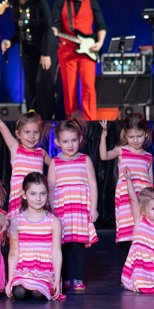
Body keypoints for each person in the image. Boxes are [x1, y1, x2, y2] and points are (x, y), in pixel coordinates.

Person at [0, 96, 51, 213]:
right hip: (19, 203)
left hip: (37, 201)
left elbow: (56, 165)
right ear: (18, 134)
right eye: (27, 132)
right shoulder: (16, 148)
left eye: (35, 132)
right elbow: (1, 127)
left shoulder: (41, 153)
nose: (31, 136)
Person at [49, 113, 98, 292]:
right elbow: (51, 188)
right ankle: (63, 279)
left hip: (79, 212)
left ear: (80, 139)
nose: (70, 145)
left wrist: (93, 208)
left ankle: (77, 278)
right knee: (62, 246)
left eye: (74, 140)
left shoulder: (85, 160)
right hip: (62, 212)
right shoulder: (55, 162)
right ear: (58, 143)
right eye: (65, 141)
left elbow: (93, 184)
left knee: (78, 246)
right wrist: (52, 211)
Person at [51, 0, 107, 121]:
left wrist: (100, 43)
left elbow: (101, 25)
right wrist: (54, 30)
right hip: (67, 50)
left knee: (88, 86)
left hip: (87, 50)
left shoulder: (91, 1)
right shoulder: (61, 2)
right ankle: (72, 121)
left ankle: (91, 121)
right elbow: (55, 24)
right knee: (70, 88)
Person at [1, 0, 57, 120]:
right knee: (30, 85)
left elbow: (47, 28)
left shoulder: (39, 2)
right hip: (28, 51)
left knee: (42, 84)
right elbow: (18, 33)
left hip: (44, 49)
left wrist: (45, 54)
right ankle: (32, 117)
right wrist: (9, 42)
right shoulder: (15, 8)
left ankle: (47, 118)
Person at [6, 172, 63, 301]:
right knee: (19, 292)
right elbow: (14, 252)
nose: (38, 198)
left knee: (38, 293)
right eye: (33, 194)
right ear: (24, 195)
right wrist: (10, 280)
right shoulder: (16, 222)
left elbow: (56, 252)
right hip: (24, 271)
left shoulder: (53, 222)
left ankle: (41, 287)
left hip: (44, 272)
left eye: (42, 193)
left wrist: (57, 279)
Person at [99, 114, 153, 243]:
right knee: (128, 230)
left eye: (139, 136)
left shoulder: (148, 156)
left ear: (146, 134)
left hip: (143, 196)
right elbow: (104, 156)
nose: (135, 140)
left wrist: (152, 199)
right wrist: (103, 136)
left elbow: (150, 182)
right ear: (125, 135)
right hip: (126, 195)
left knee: (143, 231)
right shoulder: (121, 151)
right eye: (131, 137)